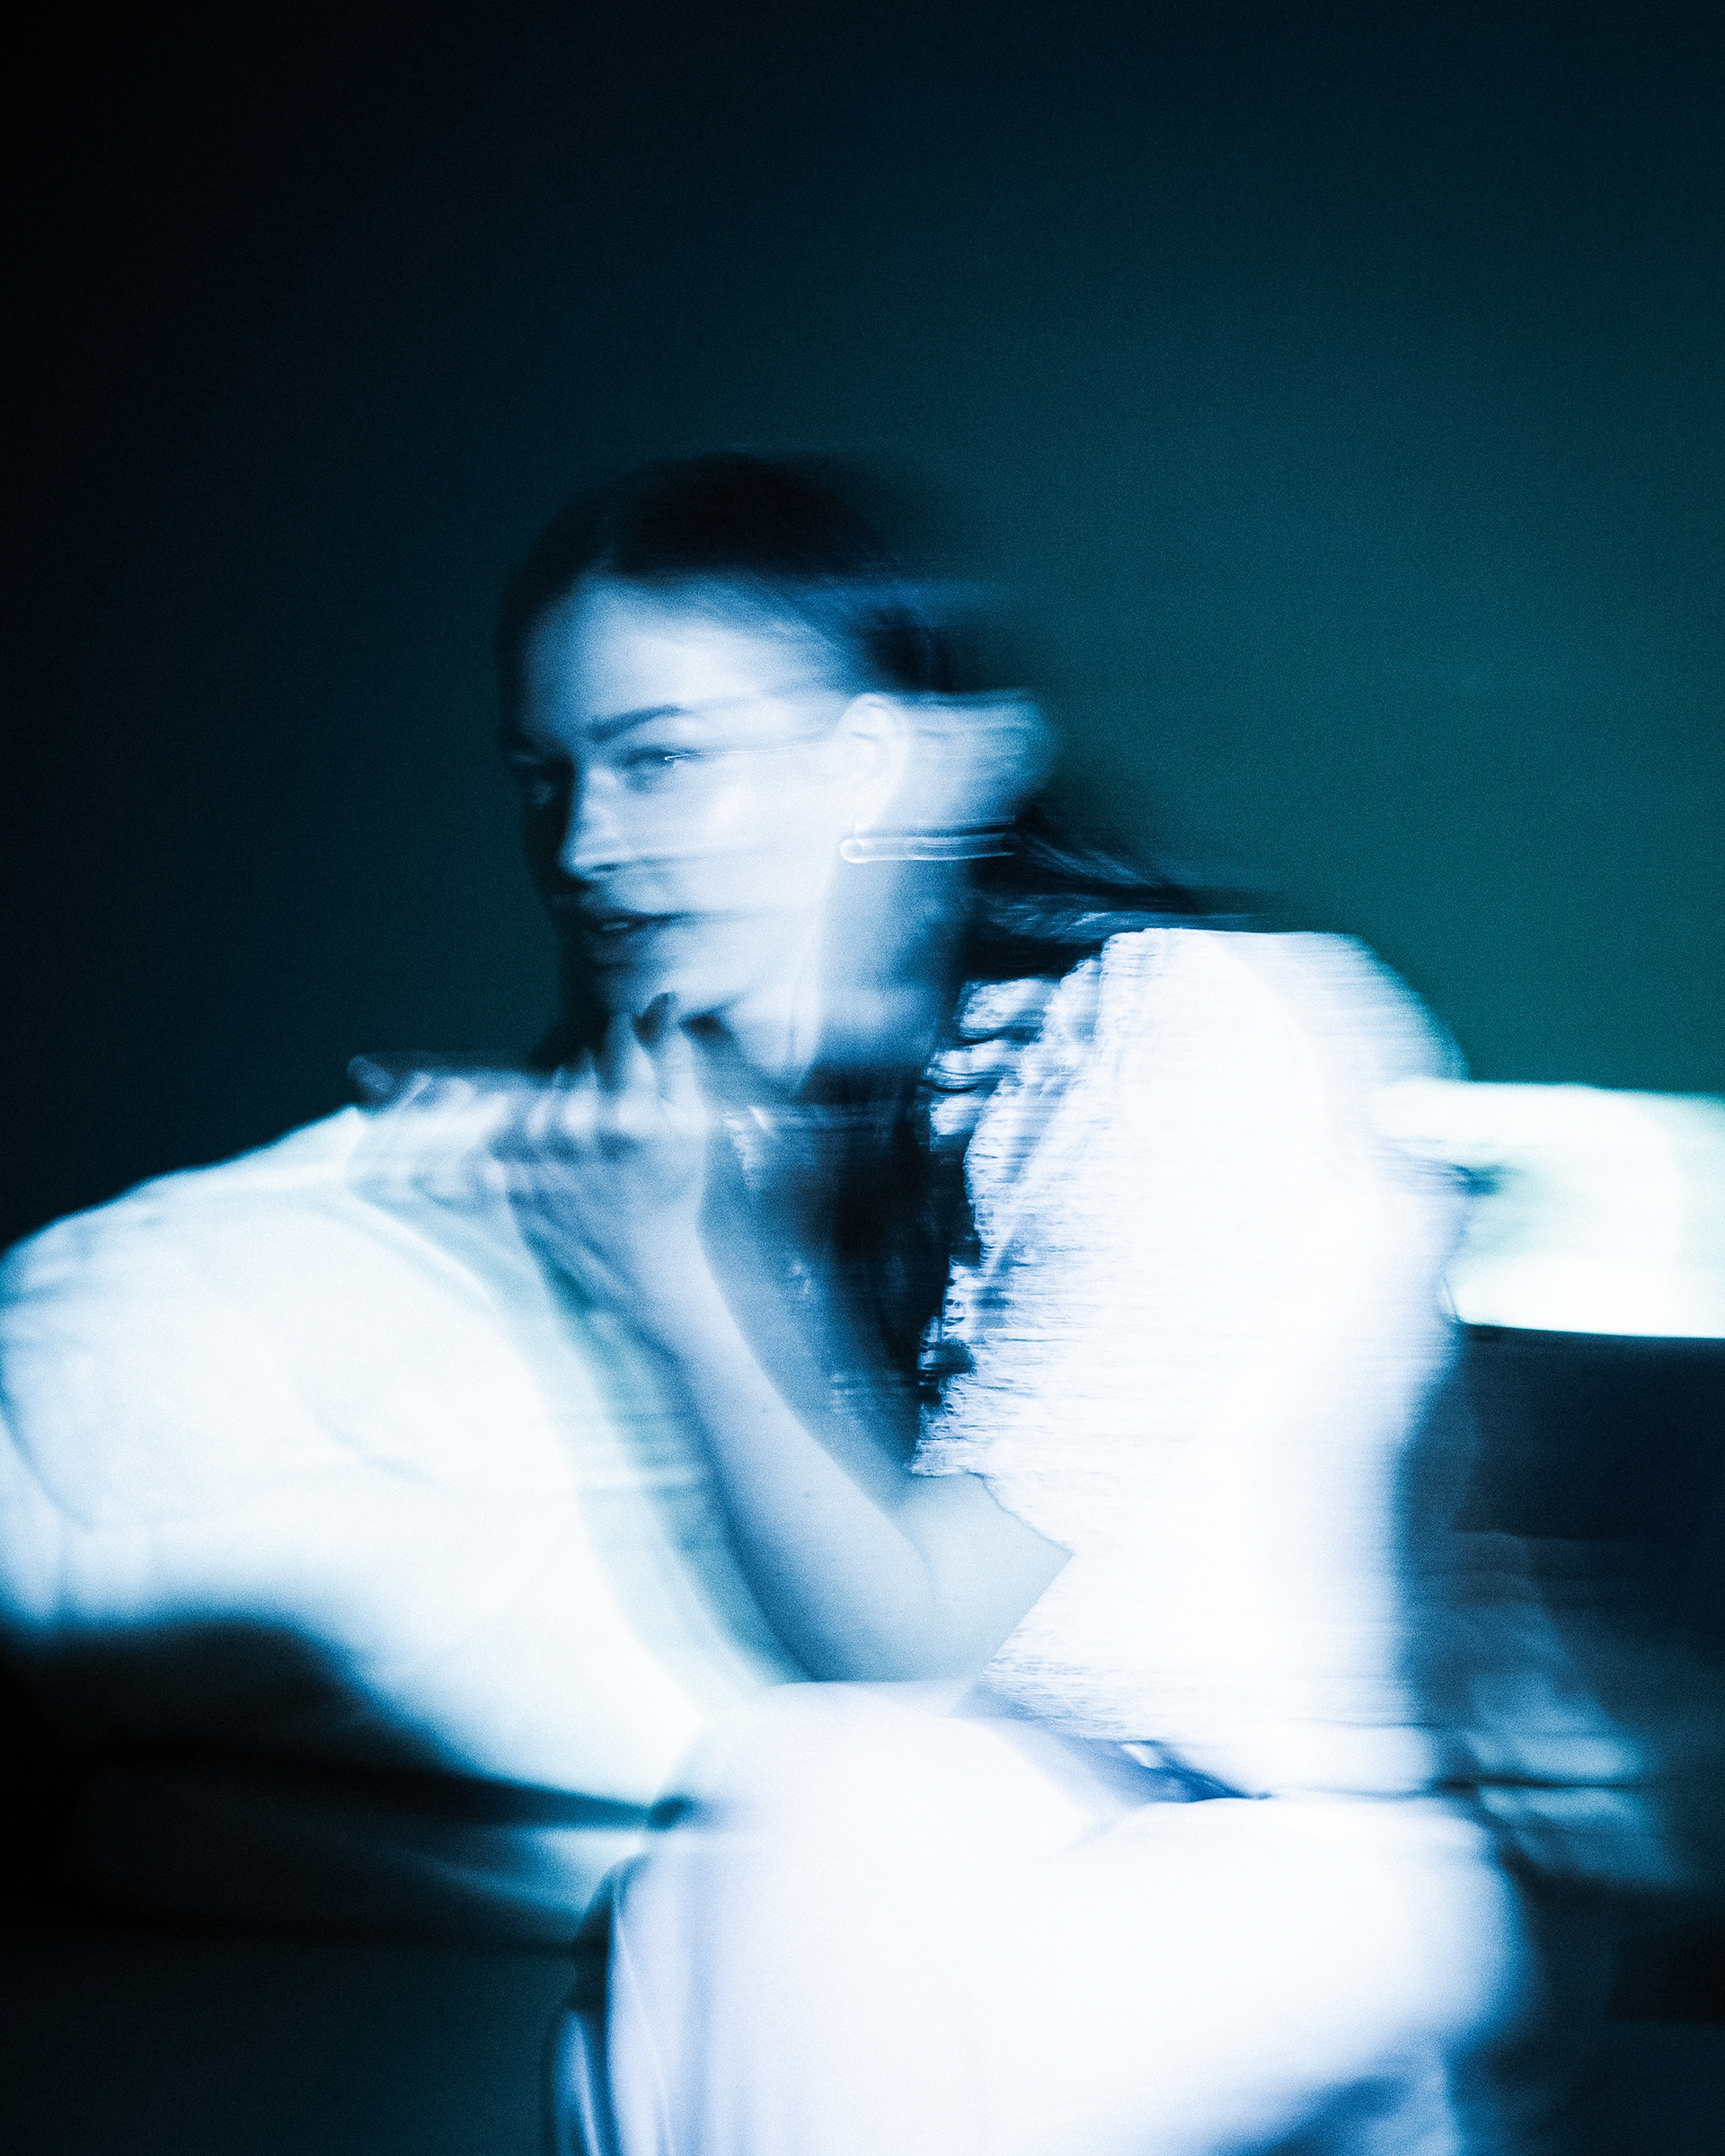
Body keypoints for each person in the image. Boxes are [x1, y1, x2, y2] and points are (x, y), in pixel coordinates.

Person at [360, 454, 1580, 2153]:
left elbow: (910, 1639)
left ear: (877, 759)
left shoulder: (1191, 1029)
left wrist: (693, 1285)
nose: (582, 845)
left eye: (661, 761)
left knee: (821, 1809)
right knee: (765, 1850)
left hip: (1295, 1860)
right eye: (546, 777)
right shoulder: (769, 1114)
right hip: (954, 1833)